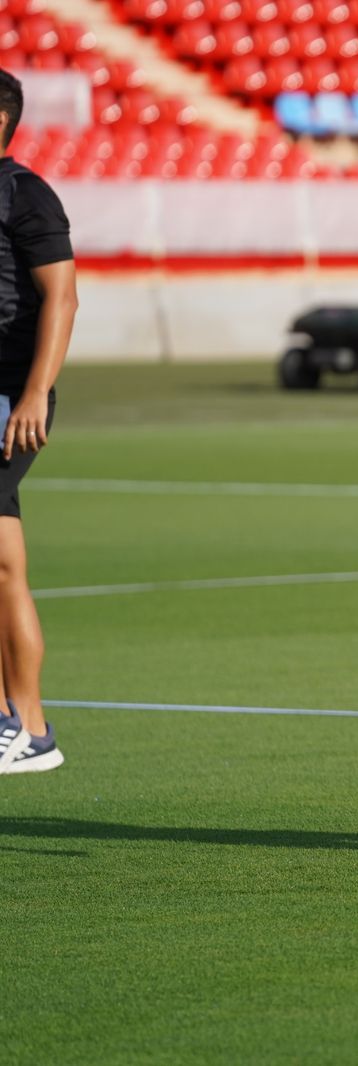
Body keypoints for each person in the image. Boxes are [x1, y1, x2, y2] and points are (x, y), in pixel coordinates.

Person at [0, 69, 76, 774]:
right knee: (3, 563)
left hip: (7, 397)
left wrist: (33, 393)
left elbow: (62, 298)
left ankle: (20, 724)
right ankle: (27, 729)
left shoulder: (25, 194)